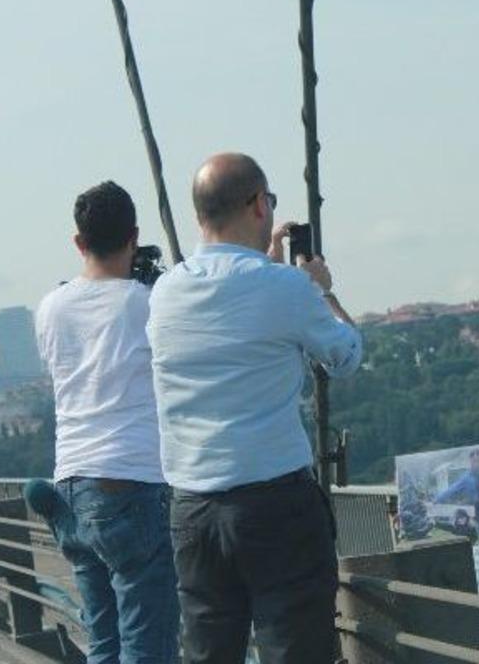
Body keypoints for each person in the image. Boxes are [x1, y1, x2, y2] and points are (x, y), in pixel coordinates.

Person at [147, 153, 363, 664]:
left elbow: (233, 295)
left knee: (209, 651)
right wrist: (321, 290)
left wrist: (266, 261)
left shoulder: (165, 292)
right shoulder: (287, 287)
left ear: (200, 214)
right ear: (258, 205)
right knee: (295, 647)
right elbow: (346, 357)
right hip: (275, 501)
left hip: (193, 506)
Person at [34, 181, 179, 663]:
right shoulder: (146, 303)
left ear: (79, 242)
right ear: (134, 237)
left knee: (105, 643)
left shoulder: (49, 308)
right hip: (129, 482)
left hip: (71, 484)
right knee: (148, 644)